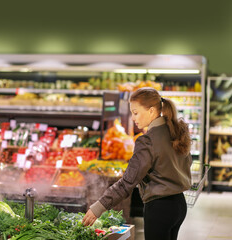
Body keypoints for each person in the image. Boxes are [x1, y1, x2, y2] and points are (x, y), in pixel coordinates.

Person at [82, 87, 192, 240]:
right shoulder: (175, 132)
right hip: (179, 205)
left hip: (159, 208)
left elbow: (127, 182)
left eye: (135, 113)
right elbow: (186, 163)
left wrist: (98, 207)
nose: (133, 118)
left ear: (152, 111)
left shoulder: (147, 141)